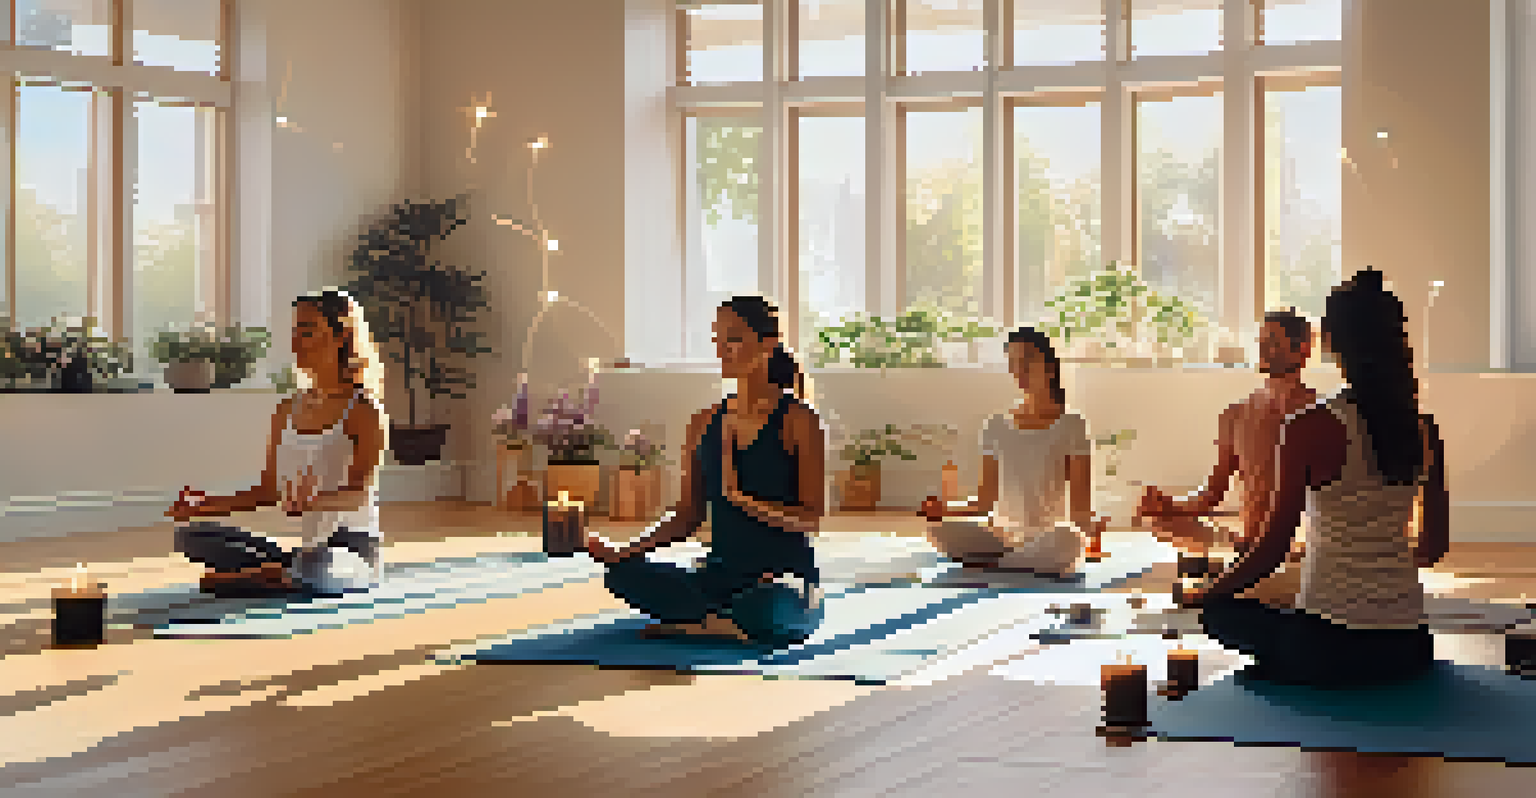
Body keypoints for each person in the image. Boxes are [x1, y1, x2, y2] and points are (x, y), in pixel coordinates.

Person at [1178, 268, 1450, 686]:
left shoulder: (1309, 426)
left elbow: (1272, 549)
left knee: (1221, 613)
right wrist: (1380, 576)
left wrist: (1208, 591)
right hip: (1408, 646)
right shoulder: (1423, 428)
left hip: (1327, 646)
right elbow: (1432, 548)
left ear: (1330, 344)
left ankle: (1288, 666)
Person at [587, 295, 826, 648]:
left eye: (734, 339)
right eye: (717, 339)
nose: (721, 349)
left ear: (768, 343)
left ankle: (704, 621)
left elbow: (810, 520)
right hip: (719, 576)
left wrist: (740, 499)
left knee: (771, 605)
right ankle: (722, 621)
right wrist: (626, 550)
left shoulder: (799, 420)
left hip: (781, 579)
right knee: (623, 575)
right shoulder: (703, 422)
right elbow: (687, 514)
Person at [166, 289, 389, 598]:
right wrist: (206, 505)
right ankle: (281, 573)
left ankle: (265, 577)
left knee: (320, 567)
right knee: (191, 537)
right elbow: (269, 490)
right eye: (295, 332)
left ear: (342, 335)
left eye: (308, 331)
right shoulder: (287, 409)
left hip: (352, 550)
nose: (296, 343)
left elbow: (359, 495)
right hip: (308, 549)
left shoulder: (364, 410)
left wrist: (313, 502)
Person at [917, 326, 1108, 577]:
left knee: (1070, 539)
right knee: (937, 531)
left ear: (1049, 367)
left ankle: (997, 566)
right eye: (1013, 362)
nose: (1020, 370)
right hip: (1001, 539)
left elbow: (1080, 509)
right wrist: (945, 510)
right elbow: (984, 502)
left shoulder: (1072, 424)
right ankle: (1015, 563)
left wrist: (1089, 533)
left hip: (1047, 540)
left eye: (1027, 360)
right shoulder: (996, 425)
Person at [1135, 310, 1318, 562]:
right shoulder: (1237, 414)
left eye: (1273, 342)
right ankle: (1244, 555)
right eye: (1261, 341)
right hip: (1248, 543)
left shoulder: (1322, 413)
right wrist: (1169, 505)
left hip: (1302, 548)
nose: (1264, 349)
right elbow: (1211, 494)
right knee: (1159, 522)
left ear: (1303, 350)